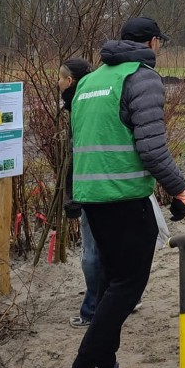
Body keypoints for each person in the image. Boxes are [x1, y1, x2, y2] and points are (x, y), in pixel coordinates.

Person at [50, 17, 185, 368]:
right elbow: (151, 146)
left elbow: (82, 143)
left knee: (112, 284)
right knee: (127, 287)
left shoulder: (91, 81)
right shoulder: (142, 77)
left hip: (94, 198)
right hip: (124, 198)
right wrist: (178, 190)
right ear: (151, 42)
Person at [59, 59, 143, 329]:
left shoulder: (79, 105)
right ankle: (123, 298)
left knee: (93, 252)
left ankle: (93, 310)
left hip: (93, 190)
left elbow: (79, 156)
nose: (57, 83)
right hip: (116, 187)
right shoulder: (99, 97)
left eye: (60, 79)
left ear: (70, 81)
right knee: (116, 248)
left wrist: (71, 196)